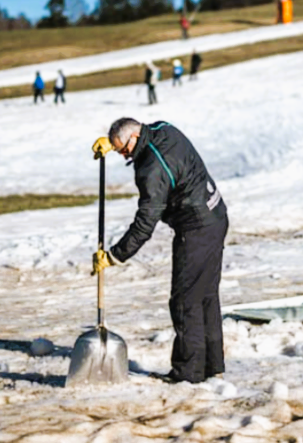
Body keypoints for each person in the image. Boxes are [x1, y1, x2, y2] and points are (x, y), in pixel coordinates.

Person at [91, 118, 229, 384]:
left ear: (133, 138)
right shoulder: (162, 129)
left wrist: (114, 255)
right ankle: (213, 368)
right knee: (205, 296)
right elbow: (136, 135)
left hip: (197, 228)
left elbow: (144, 225)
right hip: (216, 214)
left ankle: (189, 374)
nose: (123, 156)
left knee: (185, 301)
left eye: (123, 150)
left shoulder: (152, 170)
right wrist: (112, 142)